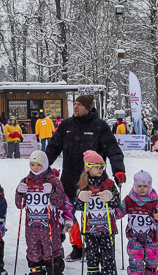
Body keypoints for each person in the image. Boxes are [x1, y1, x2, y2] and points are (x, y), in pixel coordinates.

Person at [45, 94, 125, 262]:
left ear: (88, 108)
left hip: (93, 181)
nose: (75, 107)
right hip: (69, 178)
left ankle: (93, 245)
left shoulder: (100, 126)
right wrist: (41, 167)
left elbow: (113, 149)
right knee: (69, 215)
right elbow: (53, 147)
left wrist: (118, 170)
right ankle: (78, 246)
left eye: (79, 104)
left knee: (91, 215)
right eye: (74, 103)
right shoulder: (66, 125)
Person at [14, 151, 72, 275]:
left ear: (45, 165)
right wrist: (19, 192)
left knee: (51, 252)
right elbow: (19, 205)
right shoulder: (26, 181)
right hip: (32, 226)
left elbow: (60, 202)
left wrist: (52, 192)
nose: (35, 168)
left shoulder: (53, 181)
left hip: (49, 226)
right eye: (32, 165)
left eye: (38, 165)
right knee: (33, 253)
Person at [75, 152, 121, 275]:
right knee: (92, 257)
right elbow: (77, 206)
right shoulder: (83, 184)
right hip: (89, 229)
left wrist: (112, 196)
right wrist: (80, 197)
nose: (100, 169)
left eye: (102, 166)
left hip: (107, 228)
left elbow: (118, 203)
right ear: (88, 167)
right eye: (96, 167)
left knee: (108, 257)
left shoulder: (109, 183)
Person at [118, 170, 158, 275]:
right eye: (139, 186)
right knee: (135, 260)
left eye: (145, 186)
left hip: (152, 238)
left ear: (150, 187)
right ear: (135, 186)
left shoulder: (155, 202)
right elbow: (119, 213)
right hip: (134, 238)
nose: (142, 189)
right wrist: (114, 208)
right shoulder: (129, 200)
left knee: (153, 259)